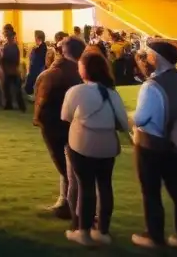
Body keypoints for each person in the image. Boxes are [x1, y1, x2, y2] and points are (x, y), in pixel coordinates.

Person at [131, 40, 177, 249]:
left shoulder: (151, 85)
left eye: (149, 55)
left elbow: (141, 118)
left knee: (151, 192)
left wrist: (127, 117)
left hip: (151, 146)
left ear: (156, 58)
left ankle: (154, 236)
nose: (146, 58)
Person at [61, 51, 130, 246]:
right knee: (105, 186)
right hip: (107, 145)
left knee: (86, 187)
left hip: (82, 144)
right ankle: (103, 231)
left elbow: (65, 116)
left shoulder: (76, 91)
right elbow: (124, 124)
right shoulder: (112, 93)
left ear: (84, 69)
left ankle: (83, 232)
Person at [33, 36, 86, 219]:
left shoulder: (56, 71)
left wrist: (38, 117)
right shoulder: (82, 70)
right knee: (71, 168)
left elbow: (41, 94)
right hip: (76, 123)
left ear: (63, 50)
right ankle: (66, 203)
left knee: (67, 169)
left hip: (56, 123)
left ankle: (72, 208)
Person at [0, 25, 25, 111]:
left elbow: (12, 58)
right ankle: (12, 104)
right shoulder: (9, 45)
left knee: (13, 89)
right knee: (9, 88)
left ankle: (15, 105)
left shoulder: (10, 46)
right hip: (10, 69)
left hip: (11, 69)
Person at [25, 30, 48, 96]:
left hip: (38, 68)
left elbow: (36, 60)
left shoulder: (42, 47)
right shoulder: (40, 46)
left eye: (35, 37)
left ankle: (30, 93)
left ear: (38, 37)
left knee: (30, 80)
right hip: (36, 67)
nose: (34, 38)